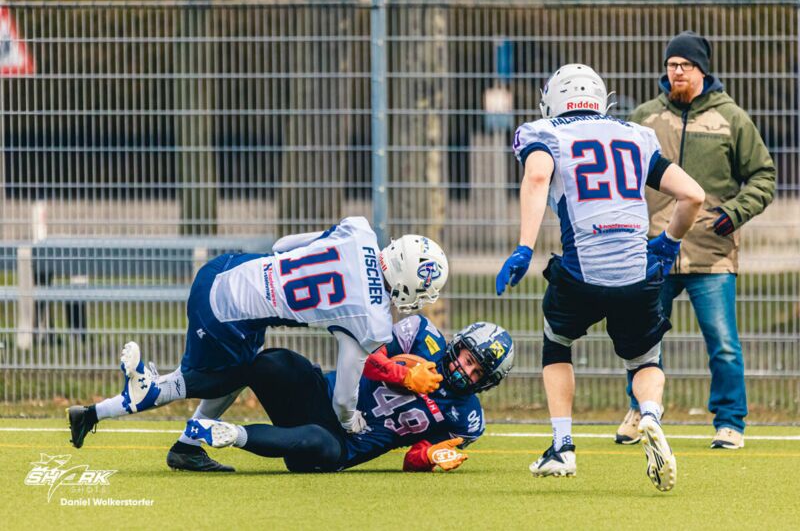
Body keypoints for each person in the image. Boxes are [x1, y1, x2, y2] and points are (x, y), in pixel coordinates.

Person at [67, 217, 449, 460]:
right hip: (228, 315)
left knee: (241, 368)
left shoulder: (359, 229)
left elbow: (283, 245)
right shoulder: (373, 321)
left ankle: (173, 442)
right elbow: (343, 400)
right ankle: (138, 396)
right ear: (409, 282)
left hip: (223, 270)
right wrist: (351, 423)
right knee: (206, 380)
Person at [497, 63, 705, 492]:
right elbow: (693, 194)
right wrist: (668, 242)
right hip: (636, 272)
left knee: (557, 343)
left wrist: (523, 247)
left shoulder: (545, 132)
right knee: (645, 360)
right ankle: (650, 414)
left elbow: (537, 176)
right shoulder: (636, 135)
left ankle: (562, 446)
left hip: (582, 272)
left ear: (552, 100)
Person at [615, 31, 776, 450]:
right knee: (642, 339)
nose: (677, 72)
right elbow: (622, 175)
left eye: (685, 65)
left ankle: (730, 422)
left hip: (712, 254)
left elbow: (764, 176)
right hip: (654, 250)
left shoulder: (731, 118)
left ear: (702, 69)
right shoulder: (644, 118)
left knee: (723, 345)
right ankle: (639, 411)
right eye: (672, 64)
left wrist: (734, 213)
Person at [180, 316, 514, 473]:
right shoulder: (421, 335)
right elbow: (365, 359)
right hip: (326, 396)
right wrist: (403, 375)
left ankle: (232, 434)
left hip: (343, 445)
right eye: (468, 360)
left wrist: (430, 456)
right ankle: (181, 387)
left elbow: (411, 460)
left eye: (477, 372)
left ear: (486, 383)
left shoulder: (468, 418)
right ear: (458, 344)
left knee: (315, 440)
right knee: (274, 362)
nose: (466, 372)